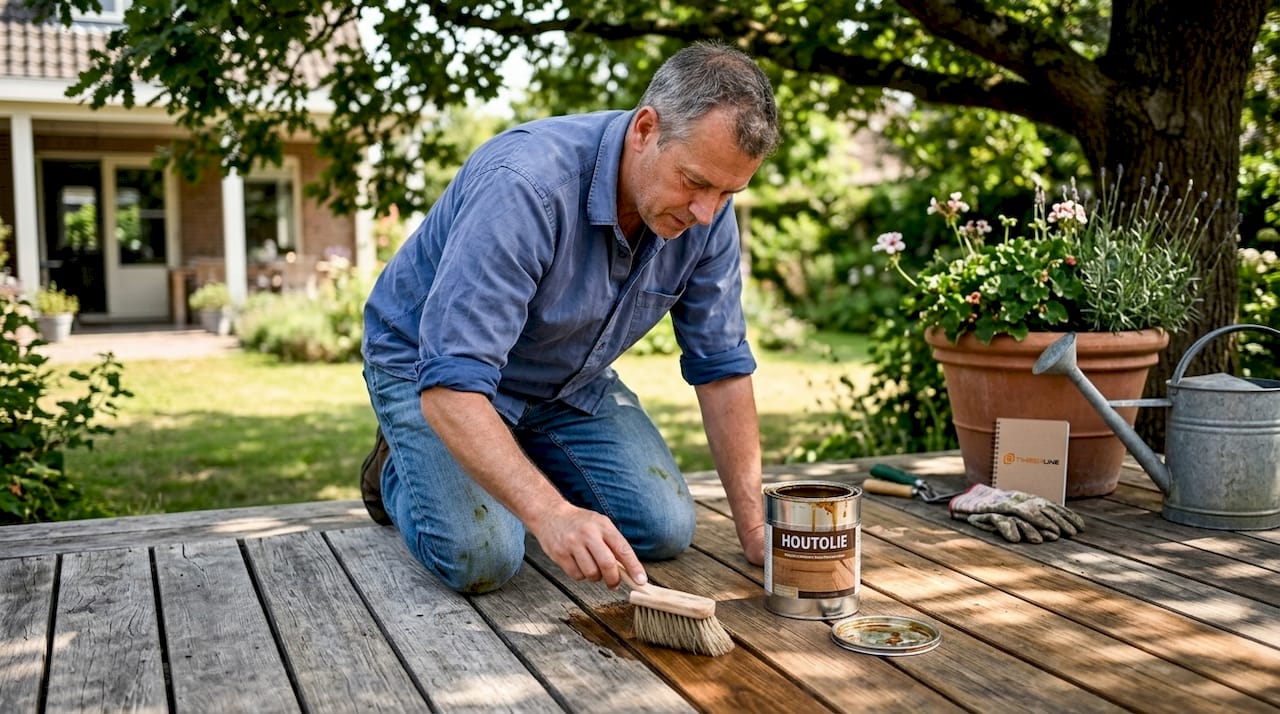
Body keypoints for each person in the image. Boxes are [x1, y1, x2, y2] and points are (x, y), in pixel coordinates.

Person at [360, 41, 780, 595]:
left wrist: (754, 526)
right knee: (484, 556)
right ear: (645, 129)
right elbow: (451, 383)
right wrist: (552, 515)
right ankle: (399, 468)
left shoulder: (706, 215)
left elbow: (721, 367)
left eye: (729, 192)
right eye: (696, 182)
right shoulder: (525, 186)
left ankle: (510, 454)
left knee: (664, 530)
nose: (707, 212)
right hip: (429, 371)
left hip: (563, 380)